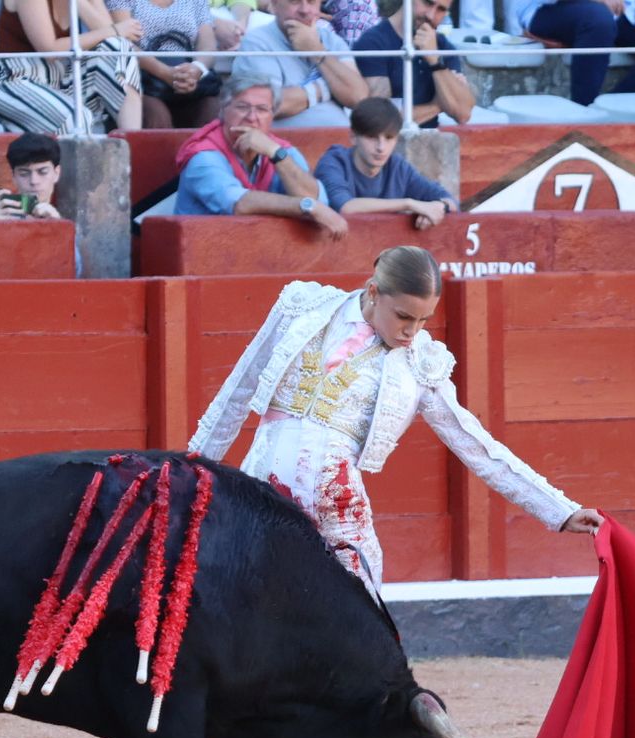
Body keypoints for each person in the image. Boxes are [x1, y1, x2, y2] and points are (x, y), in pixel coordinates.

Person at [189, 245, 602, 589]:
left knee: (361, 625)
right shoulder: (302, 307)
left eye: (423, 319)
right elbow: (237, 392)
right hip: (261, 492)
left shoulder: (421, 363)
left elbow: (475, 445)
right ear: (373, 292)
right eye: (404, 316)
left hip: (340, 510)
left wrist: (558, 510)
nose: (412, 331)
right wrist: (188, 470)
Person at [173, 73, 349, 241]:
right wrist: (305, 207)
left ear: (272, 115)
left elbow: (317, 199)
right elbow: (239, 203)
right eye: (242, 107)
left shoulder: (280, 150)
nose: (252, 117)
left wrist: (275, 154)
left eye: (262, 109)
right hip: (203, 254)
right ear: (223, 111)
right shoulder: (203, 156)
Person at [0, 0, 145, 133]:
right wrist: (115, 30)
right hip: (14, 79)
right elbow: (49, 49)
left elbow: (112, 37)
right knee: (76, 117)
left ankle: (132, 150)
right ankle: (80, 169)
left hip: (59, 79)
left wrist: (80, 3)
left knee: (119, 47)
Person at [510, 0, 635, 107]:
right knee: (598, 19)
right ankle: (583, 110)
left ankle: (616, 104)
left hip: (623, 9)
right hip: (550, 9)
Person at [313, 98, 457, 226]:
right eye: (372, 137)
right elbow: (345, 207)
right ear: (353, 137)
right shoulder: (334, 162)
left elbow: (451, 201)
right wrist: (410, 204)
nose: (381, 148)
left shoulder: (397, 166)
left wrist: (438, 207)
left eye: (389, 138)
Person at [232, 0, 368, 127]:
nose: (305, 10)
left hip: (338, 146)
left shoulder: (331, 40)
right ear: (274, 5)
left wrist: (317, 51)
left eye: (311, 1)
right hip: (282, 147)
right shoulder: (257, 42)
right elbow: (266, 104)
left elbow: (359, 98)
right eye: (295, 1)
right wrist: (326, 87)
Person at [353, 0, 474, 127]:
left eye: (441, 9)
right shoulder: (373, 43)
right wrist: (437, 106)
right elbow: (379, 121)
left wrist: (434, 61)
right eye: (427, 3)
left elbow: (463, 114)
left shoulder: (443, 45)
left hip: (431, 141)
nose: (430, 15)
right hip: (392, 144)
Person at [116, 0, 222, 128]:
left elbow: (208, 44)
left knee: (212, 110)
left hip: (189, 75)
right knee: (156, 116)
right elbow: (123, 43)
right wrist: (165, 72)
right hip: (144, 78)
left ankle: (205, 148)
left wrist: (197, 69)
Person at [0, 132, 64, 220]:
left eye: (42, 172)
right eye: (24, 174)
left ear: (56, 173)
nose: (34, 181)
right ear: (13, 176)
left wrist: (58, 227)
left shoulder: (72, 214)